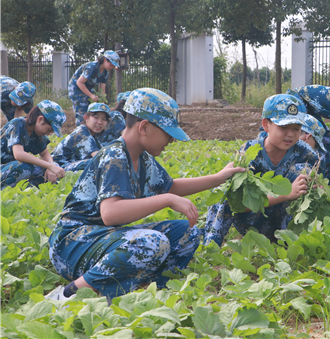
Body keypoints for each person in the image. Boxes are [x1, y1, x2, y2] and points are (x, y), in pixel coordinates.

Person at [46, 88, 244, 301]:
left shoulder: (143, 158)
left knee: (188, 231)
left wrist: (219, 177)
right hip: (72, 245)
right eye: (168, 133)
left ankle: (146, 288)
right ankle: (69, 294)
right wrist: (166, 200)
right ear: (144, 127)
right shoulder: (114, 156)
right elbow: (111, 214)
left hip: (105, 240)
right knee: (151, 242)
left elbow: (171, 187)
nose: (171, 140)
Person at [203, 94, 318, 247]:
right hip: (252, 221)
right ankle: (210, 245)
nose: (290, 134)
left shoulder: (307, 154)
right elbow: (238, 204)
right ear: (266, 125)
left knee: (304, 176)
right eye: (283, 127)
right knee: (224, 191)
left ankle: (290, 243)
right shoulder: (249, 152)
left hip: (285, 222)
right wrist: (286, 194)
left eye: (296, 128)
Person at [1, 100, 66, 189]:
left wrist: (51, 165)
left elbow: (45, 153)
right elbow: (19, 154)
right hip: (4, 167)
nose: (49, 134)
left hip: (8, 169)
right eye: (49, 129)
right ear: (40, 119)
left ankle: (27, 189)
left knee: (55, 169)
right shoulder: (17, 123)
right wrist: (49, 165)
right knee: (24, 167)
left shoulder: (36, 133)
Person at [52, 103, 111, 172]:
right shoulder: (82, 133)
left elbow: (103, 154)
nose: (100, 122)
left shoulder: (93, 135)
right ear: (86, 118)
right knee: (94, 163)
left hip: (67, 167)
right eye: (96, 117)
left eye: (104, 119)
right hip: (56, 169)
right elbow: (99, 157)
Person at [68, 51, 119, 125]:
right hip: (76, 88)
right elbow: (79, 82)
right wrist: (91, 95)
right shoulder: (92, 67)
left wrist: (102, 103)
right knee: (82, 111)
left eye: (113, 66)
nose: (112, 67)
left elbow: (102, 89)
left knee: (92, 110)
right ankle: (81, 130)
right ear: (105, 60)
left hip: (88, 88)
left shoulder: (105, 73)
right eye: (111, 64)